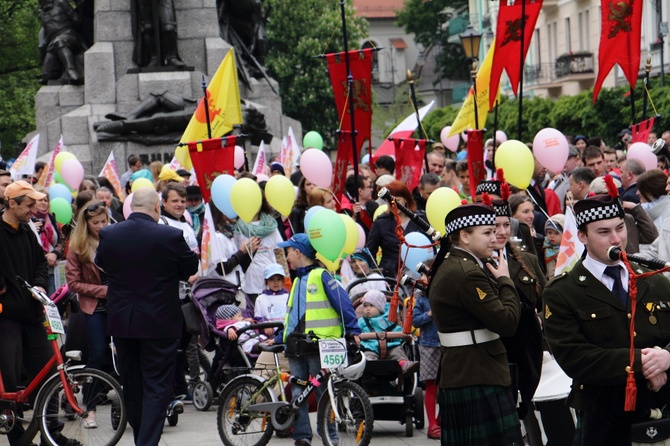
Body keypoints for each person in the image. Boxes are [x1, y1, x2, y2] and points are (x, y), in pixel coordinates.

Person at [543, 182, 670, 446]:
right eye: (603, 232)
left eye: (620, 228)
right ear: (582, 236)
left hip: (662, 408)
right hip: (603, 419)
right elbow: (575, 358)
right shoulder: (562, 291)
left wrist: (667, 357)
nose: (616, 239)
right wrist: (643, 364)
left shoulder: (653, 279)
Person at [95, 188, 199, 446]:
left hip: (123, 321)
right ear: (156, 208)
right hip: (159, 322)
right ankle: (146, 441)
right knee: (156, 385)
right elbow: (191, 268)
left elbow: (103, 264)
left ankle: (143, 437)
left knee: (132, 383)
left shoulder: (109, 234)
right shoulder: (170, 235)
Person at [428, 199, 522, 446]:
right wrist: (505, 280)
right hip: (477, 373)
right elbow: (507, 322)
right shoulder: (468, 273)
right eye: (488, 232)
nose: (495, 237)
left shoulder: (455, 264)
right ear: (465, 236)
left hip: (465, 371)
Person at [0, 181, 83, 446]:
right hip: (6, 317)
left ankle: (51, 433)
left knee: (47, 373)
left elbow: (39, 261)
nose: (34, 209)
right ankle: (16, 437)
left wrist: (39, 284)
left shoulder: (26, 230)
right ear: (12, 203)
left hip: (33, 313)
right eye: (28, 205)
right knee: (9, 380)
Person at [268, 233, 360, 446]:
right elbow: (292, 316)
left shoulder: (322, 275)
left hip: (319, 345)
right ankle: (302, 437)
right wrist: (280, 336)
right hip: (296, 345)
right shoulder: (298, 279)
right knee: (299, 389)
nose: (287, 256)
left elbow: (343, 303)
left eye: (288, 251)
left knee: (323, 391)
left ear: (298, 252)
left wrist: (353, 329)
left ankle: (330, 435)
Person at [65, 199, 110, 429]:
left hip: (119, 306)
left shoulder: (114, 238)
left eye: (104, 221)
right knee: (98, 355)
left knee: (123, 356)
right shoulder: (78, 246)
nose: (101, 225)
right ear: (86, 223)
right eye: (96, 222)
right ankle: (89, 408)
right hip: (94, 307)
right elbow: (73, 283)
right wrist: (104, 291)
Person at [366, 180, 428, 278]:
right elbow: (370, 251)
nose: (393, 205)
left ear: (406, 199)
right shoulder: (380, 222)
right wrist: (378, 274)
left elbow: (431, 246)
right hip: (390, 276)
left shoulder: (420, 219)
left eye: (397, 201)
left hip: (418, 273)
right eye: (389, 201)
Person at [357, 289, 419, 374]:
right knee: (367, 356)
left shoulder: (389, 319)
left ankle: (404, 364)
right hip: (371, 347)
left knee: (397, 352)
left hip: (391, 346)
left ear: (380, 308)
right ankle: (369, 366)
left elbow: (397, 329)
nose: (368, 309)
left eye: (371, 306)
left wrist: (405, 334)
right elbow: (356, 331)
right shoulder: (362, 321)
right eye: (365, 306)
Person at [412, 273, 441, 440]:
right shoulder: (421, 299)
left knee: (447, 386)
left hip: (446, 343)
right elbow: (415, 321)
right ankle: (433, 425)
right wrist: (429, 315)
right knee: (431, 386)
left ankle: (439, 421)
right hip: (429, 345)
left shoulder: (445, 293)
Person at [543, 214, 565, 279]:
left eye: (556, 233)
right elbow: (551, 272)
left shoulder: (569, 248)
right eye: (549, 233)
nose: (552, 236)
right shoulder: (546, 247)